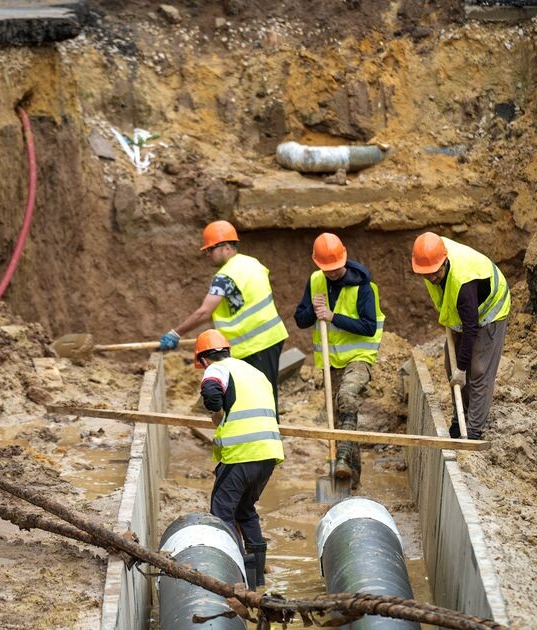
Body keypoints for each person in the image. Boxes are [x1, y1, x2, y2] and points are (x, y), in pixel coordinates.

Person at [159, 220, 289, 414]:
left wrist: (175, 333)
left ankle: (265, 430)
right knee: (263, 393)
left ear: (226, 247)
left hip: (253, 345)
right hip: (269, 339)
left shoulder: (225, 276)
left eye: (210, 249)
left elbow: (204, 312)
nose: (208, 254)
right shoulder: (252, 263)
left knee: (258, 399)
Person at [195, 329, 284, 590]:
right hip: (268, 453)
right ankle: (257, 579)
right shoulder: (254, 372)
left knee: (221, 512)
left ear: (203, 359)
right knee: (245, 510)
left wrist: (216, 410)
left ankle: (234, 577)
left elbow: (211, 393)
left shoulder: (216, 369)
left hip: (241, 453)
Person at [294, 233, 384, 488]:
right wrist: (313, 310)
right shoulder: (315, 281)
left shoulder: (363, 286)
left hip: (359, 357)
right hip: (331, 361)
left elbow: (368, 327)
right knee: (339, 417)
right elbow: (300, 320)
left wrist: (332, 316)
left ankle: (342, 458)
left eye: (335, 267)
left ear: (344, 259)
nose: (332, 273)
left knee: (347, 396)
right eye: (327, 269)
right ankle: (349, 480)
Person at [411, 232, 510, 440]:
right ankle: (459, 422)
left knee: (479, 370)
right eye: (426, 274)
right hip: (464, 312)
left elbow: (471, 328)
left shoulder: (463, 282)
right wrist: (457, 369)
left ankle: (472, 431)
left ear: (444, 261)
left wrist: (462, 369)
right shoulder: (429, 259)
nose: (431, 278)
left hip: (490, 310)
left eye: (435, 273)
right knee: (451, 366)